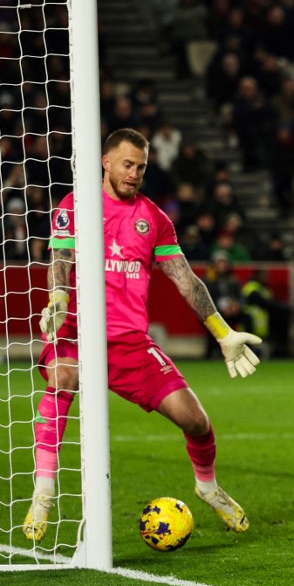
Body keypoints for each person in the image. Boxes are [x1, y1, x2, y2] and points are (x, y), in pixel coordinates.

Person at [23, 128, 261, 542]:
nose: (134, 174)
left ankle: (206, 486)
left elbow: (186, 280)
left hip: (129, 342)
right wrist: (59, 296)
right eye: (127, 165)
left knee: (197, 421)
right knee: (62, 378)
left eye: (141, 167)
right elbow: (60, 256)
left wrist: (223, 332)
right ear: (106, 162)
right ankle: (43, 493)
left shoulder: (153, 219)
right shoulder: (75, 204)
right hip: (77, 330)